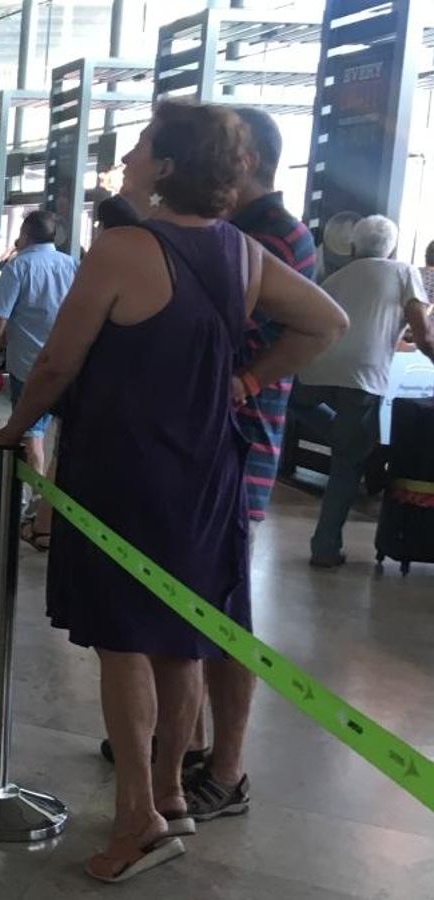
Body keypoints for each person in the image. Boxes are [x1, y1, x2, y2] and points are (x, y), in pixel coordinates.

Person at [0, 100, 345, 883]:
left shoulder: (122, 248)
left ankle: (139, 817)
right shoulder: (243, 255)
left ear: (167, 166)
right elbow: (325, 321)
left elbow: (56, 364)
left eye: (143, 145)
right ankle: (173, 792)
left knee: (124, 647)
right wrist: (246, 379)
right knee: (183, 641)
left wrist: (16, 432)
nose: (131, 156)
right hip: (208, 471)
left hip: (128, 470)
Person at [179, 106, 320, 822]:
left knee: (227, 607)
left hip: (239, 446)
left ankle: (225, 769)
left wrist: (250, 381)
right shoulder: (252, 232)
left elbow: (317, 326)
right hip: (216, 445)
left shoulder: (268, 239)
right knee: (201, 598)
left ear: (244, 162)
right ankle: (189, 741)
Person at [296, 215, 433, 568]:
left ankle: (355, 444)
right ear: (393, 248)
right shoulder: (404, 272)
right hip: (362, 373)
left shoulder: (336, 278)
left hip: (316, 367)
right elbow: (424, 335)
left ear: (353, 247)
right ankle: (324, 548)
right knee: (348, 462)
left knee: (305, 407)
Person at [0, 210, 76, 549]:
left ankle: (38, 507)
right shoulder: (71, 265)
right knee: (61, 439)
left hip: (27, 366)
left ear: (25, 234)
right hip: (69, 363)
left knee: (31, 436)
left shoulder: (18, 267)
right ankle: (52, 507)